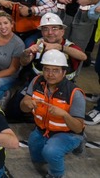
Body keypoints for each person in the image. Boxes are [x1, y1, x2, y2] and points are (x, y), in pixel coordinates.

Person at [21, 50, 86, 178]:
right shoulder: (36, 82)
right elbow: (23, 108)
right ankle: (51, 149)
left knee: (51, 152)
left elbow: (78, 128)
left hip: (68, 133)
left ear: (64, 72)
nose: (50, 74)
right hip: (42, 130)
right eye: (46, 69)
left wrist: (65, 115)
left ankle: (56, 174)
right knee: (37, 159)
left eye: (55, 70)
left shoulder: (74, 93)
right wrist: (26, 103)